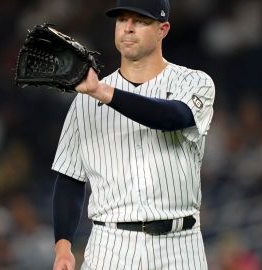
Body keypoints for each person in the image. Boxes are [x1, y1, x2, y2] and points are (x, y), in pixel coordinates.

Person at [50, 0, 215, 269]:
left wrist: (101, 92)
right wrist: (63, 248)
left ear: (163, 29)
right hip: (110, 247)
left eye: (139, 21)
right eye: (121, 20)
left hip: (179, 245)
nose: (127, 28)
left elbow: (173, 117)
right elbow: (69, 177)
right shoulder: (85, 100)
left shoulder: (194, 81)